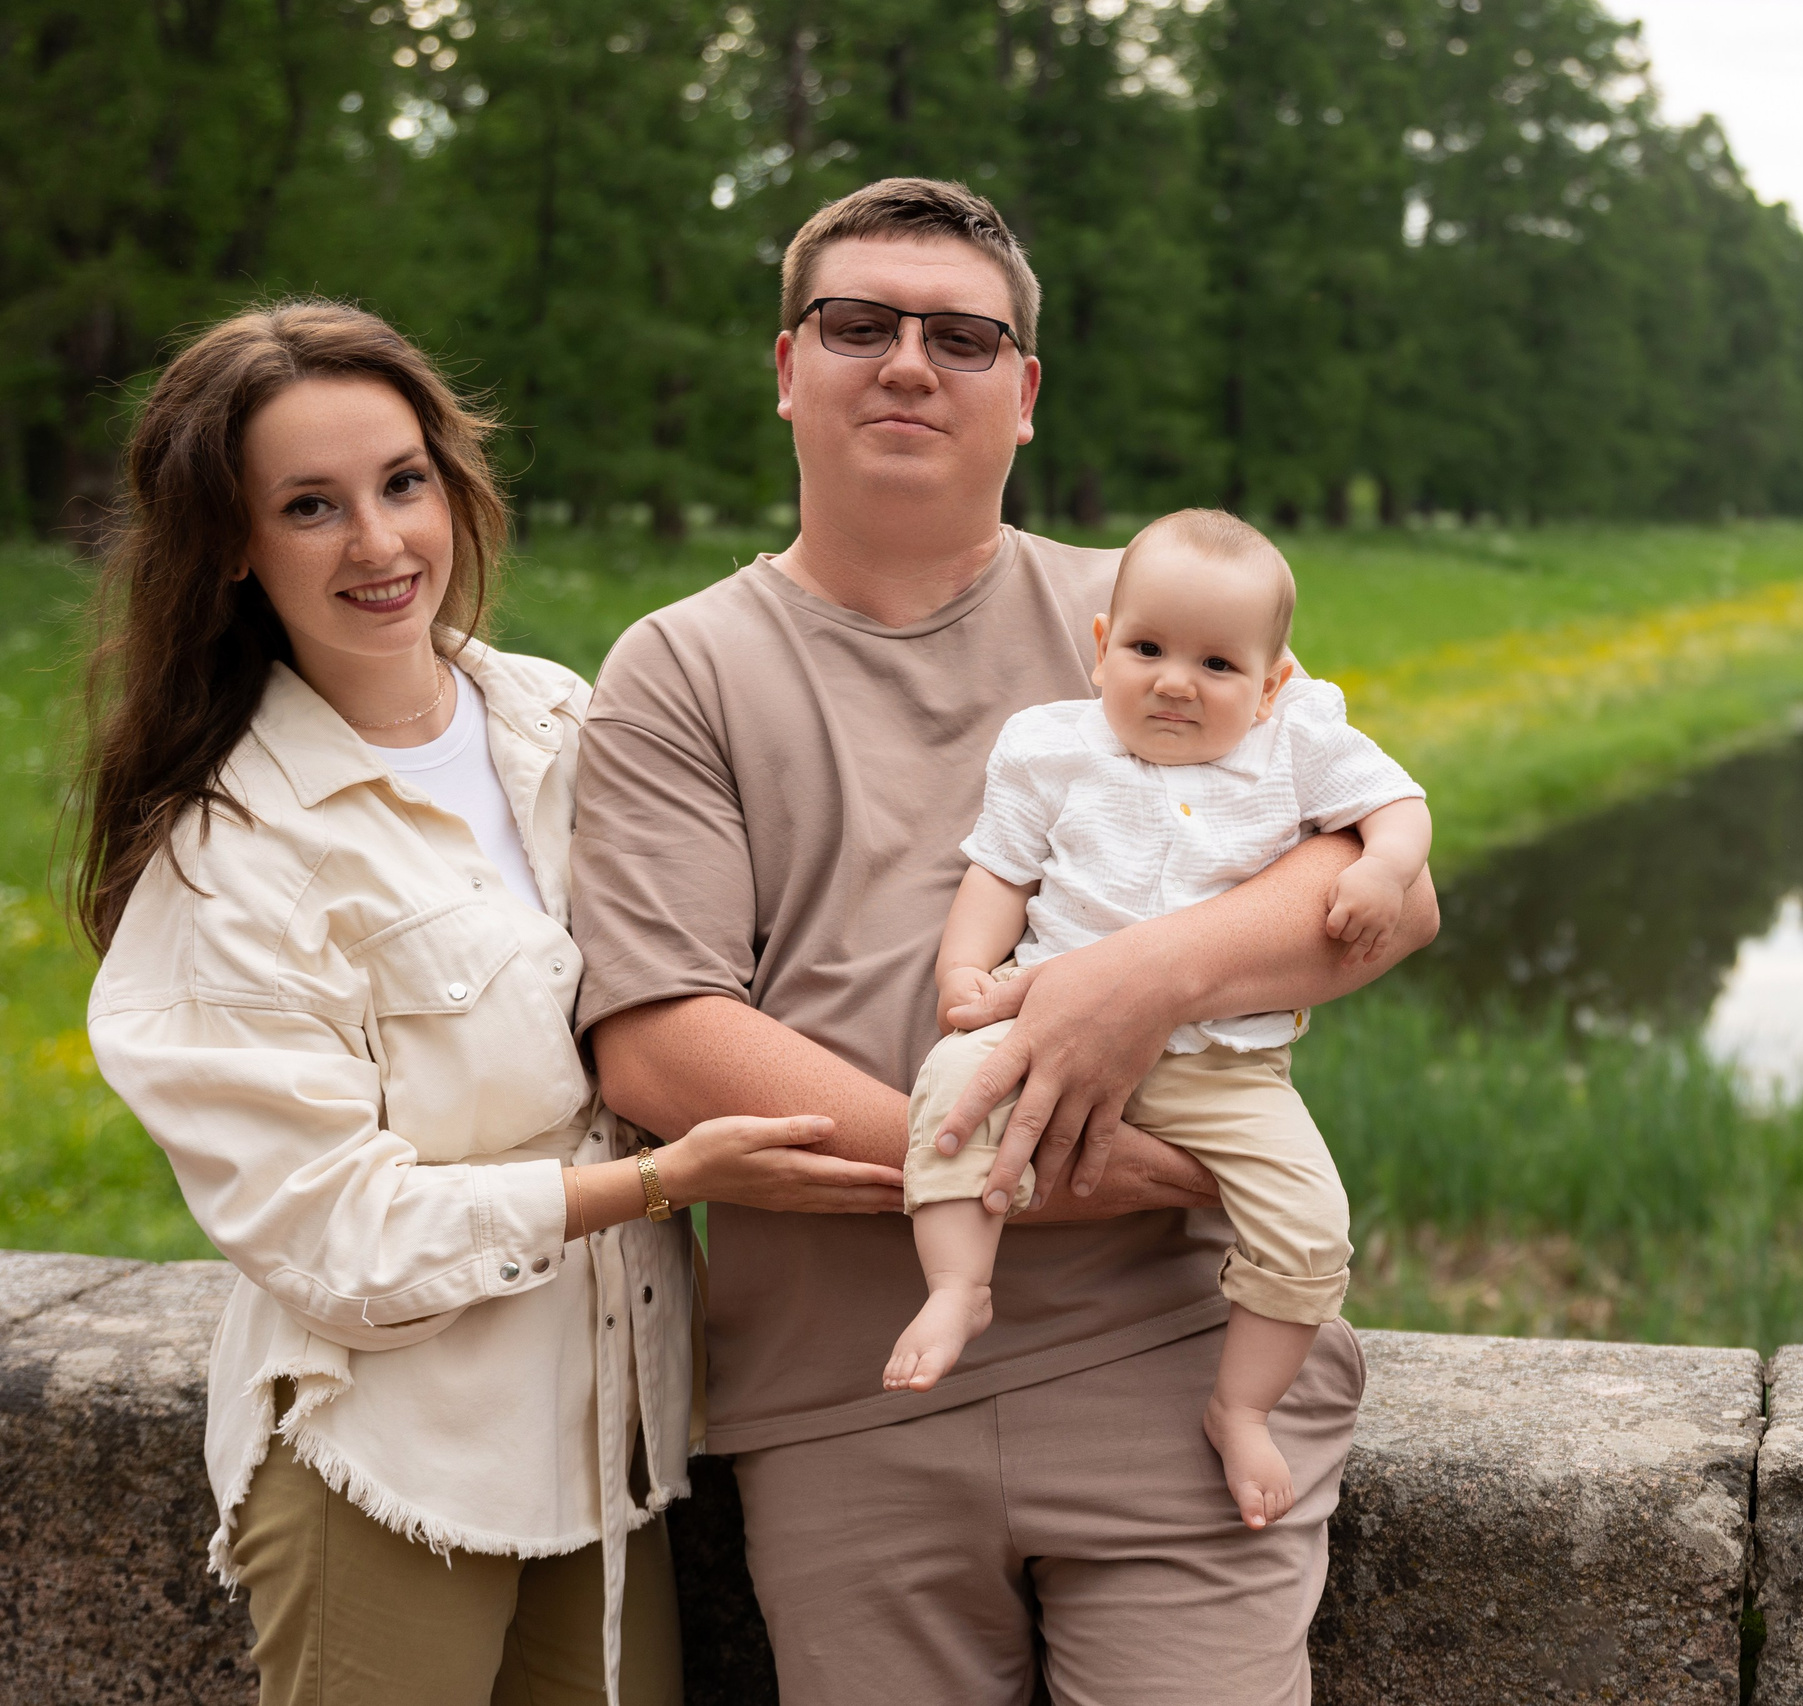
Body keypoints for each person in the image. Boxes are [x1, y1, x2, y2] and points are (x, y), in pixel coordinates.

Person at [571, 179, 1439, 1703]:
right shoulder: (679, 668)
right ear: (789, 366)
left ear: (1022, 394)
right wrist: (988, 1158)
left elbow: (1381, 890)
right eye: (860, 324)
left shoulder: (1153, 611)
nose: (910, 361)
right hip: (848, 1399)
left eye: (963, 336)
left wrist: (1133, 982)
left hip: (1172, 1370)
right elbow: (655, 1035)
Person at [77, 301, 874, 1706]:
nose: (381, 544)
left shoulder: (560, 722)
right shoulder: (232, 852)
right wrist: (649, 1185)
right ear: (233, 551)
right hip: (390, 1460)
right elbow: (333, 1232)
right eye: (310, 506)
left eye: (403, 482)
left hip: (606, 1440)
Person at [889, 507, 1432, 1535]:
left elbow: (1400, 805)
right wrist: (964, 966)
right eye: (1146, 649)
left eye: (1218, 664)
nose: (1175, 681)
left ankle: (1241, 1402)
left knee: (1310, 1219)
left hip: (1225, 1067)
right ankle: (958, 1282)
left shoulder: (1297, 741)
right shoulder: (1052, 745)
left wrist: (1382, 865)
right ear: (1102, 648)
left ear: (1271, 682)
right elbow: (999, 868)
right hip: (1047, 1024)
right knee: (952, 1094)